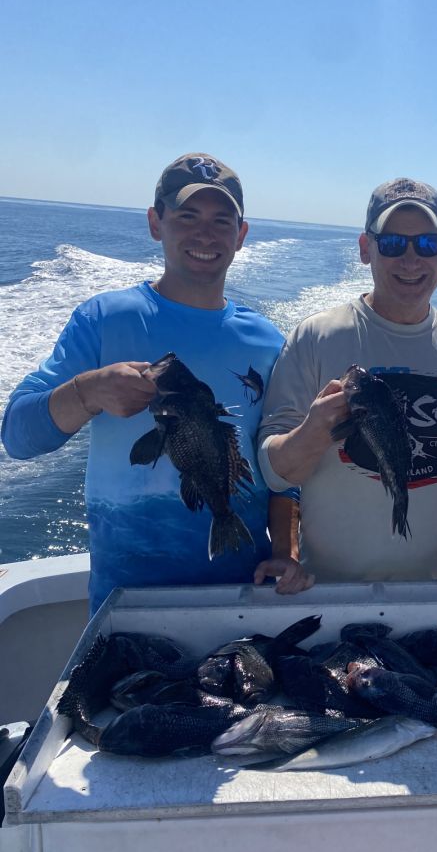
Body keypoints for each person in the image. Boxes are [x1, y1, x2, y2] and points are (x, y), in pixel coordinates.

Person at [2, 152, 312, 613]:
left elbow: (282, 467)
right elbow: (17, 436)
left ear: (241, 235)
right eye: (187, 216)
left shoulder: (268, 342)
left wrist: (287, 551)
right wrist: (86, 392)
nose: (204, 234)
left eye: (221, 220)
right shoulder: (102, 319)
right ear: (155, 222)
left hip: (244, 593)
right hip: (126, 602)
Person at [255, 177, 437, 597]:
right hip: (325, 595)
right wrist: (312, 432)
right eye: (391, 244)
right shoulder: (315, 338)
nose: (410, 259)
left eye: (426, 243)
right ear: (365, 248)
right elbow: (275, 473)